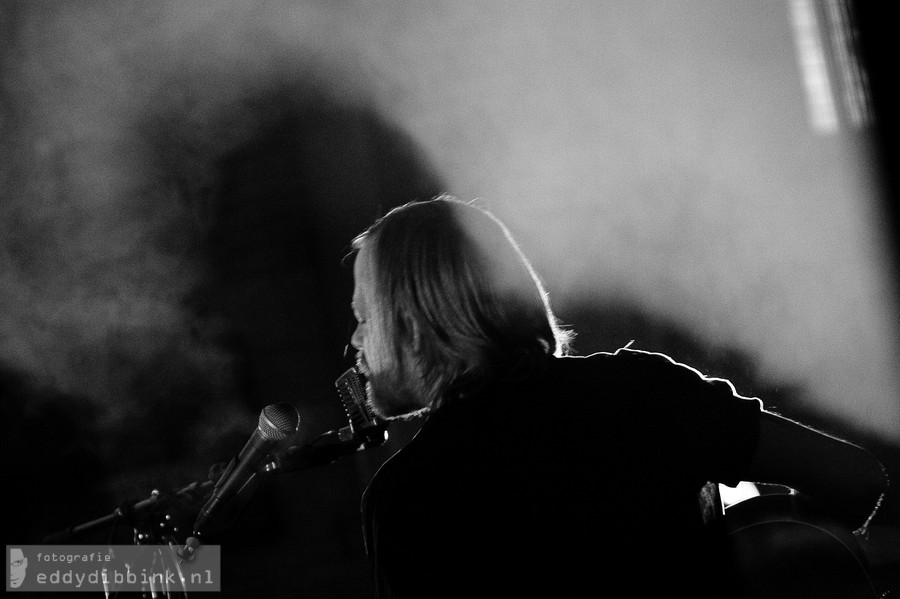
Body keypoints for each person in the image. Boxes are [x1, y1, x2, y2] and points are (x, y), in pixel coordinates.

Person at [346, 194, 889, 598]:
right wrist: (766, 543)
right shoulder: (640, 390)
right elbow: (858, 478)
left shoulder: (406, 499)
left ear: (410, 326)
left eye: (362, 320)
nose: (355, 344)